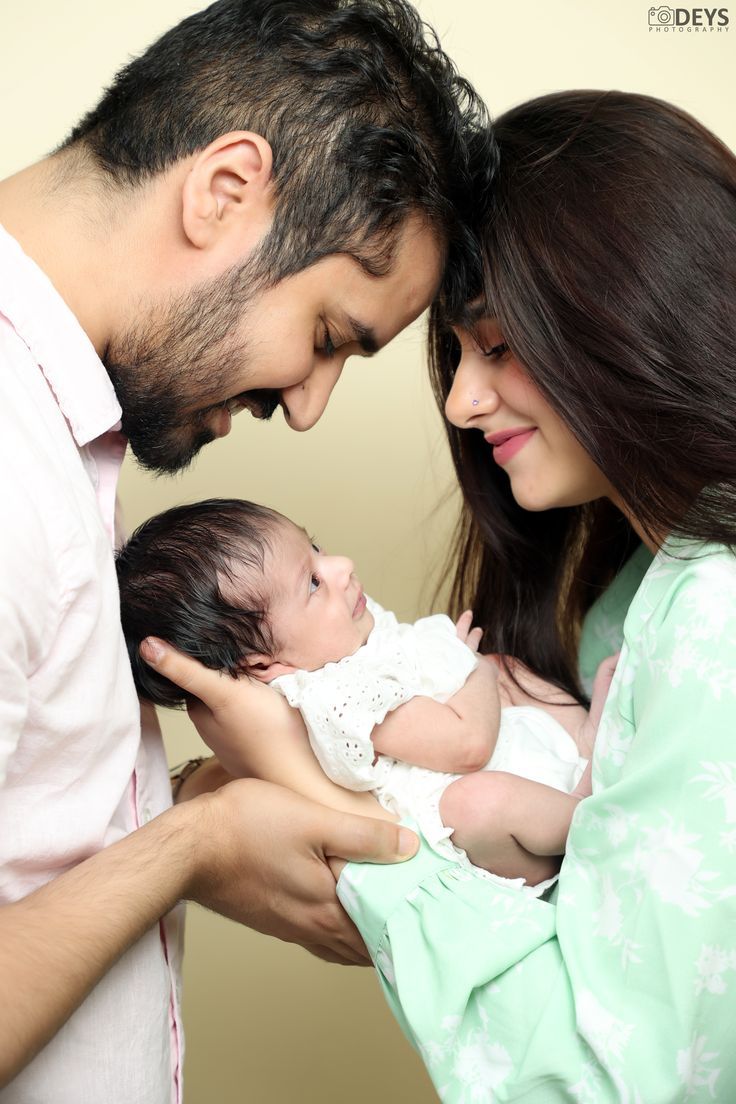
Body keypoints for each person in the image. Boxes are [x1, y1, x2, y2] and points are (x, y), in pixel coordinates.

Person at [146, 90, 736, 1100]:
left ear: (637, 306)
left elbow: (602, 1079)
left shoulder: (712, 620)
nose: (462, 402)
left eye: (498, 345)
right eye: (457, 356)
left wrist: (304, 791)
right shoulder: (639, 595)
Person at [0, 1, 493, 1097]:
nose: (310, 409)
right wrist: (197, 843)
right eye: (327, 337)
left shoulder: (56, 433)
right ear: (224, 192)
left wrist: (184, 798)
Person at [116, 498, 618, 890]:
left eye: (316, 548)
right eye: (312, 582)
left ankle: (585, 743)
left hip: (520, 758)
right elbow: (467, 746)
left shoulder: (343, 636)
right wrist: (474, 671)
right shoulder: (337, 700)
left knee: (510, 671)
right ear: (266, 665)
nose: (341, 566)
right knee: (480, 789)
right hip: (489, 830)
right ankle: (590, 813)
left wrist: (461, 668)